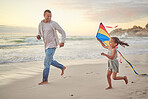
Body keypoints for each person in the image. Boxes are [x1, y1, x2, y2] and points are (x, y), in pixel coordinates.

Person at [37, 9, 66, 85]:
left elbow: (63, 32)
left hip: (52, 45)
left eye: (50, 16)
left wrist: (62, 41)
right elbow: (40, 33)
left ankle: (45, 80)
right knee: (50, 61)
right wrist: (38, 36)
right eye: (48, 16)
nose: (49, 18)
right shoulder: (41, 24)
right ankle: (62, 67)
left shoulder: (53, 23)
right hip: (46, 46)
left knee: (46, 63)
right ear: (44, 15)